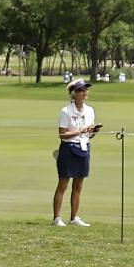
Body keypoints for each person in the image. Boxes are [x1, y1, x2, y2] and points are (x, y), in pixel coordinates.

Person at [53, 78, 98, 227]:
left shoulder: (90, 110)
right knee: (63, 184)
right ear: (74, 94)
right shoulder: (66, 111)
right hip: (68, 148)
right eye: (81, 90)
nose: (85, 93)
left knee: (78, 185)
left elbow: (88, 134)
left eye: (86, 90)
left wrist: (93, 132)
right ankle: (57, 218)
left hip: (84, 147)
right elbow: (62, 134)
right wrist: (81, 131)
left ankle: (74, 217)